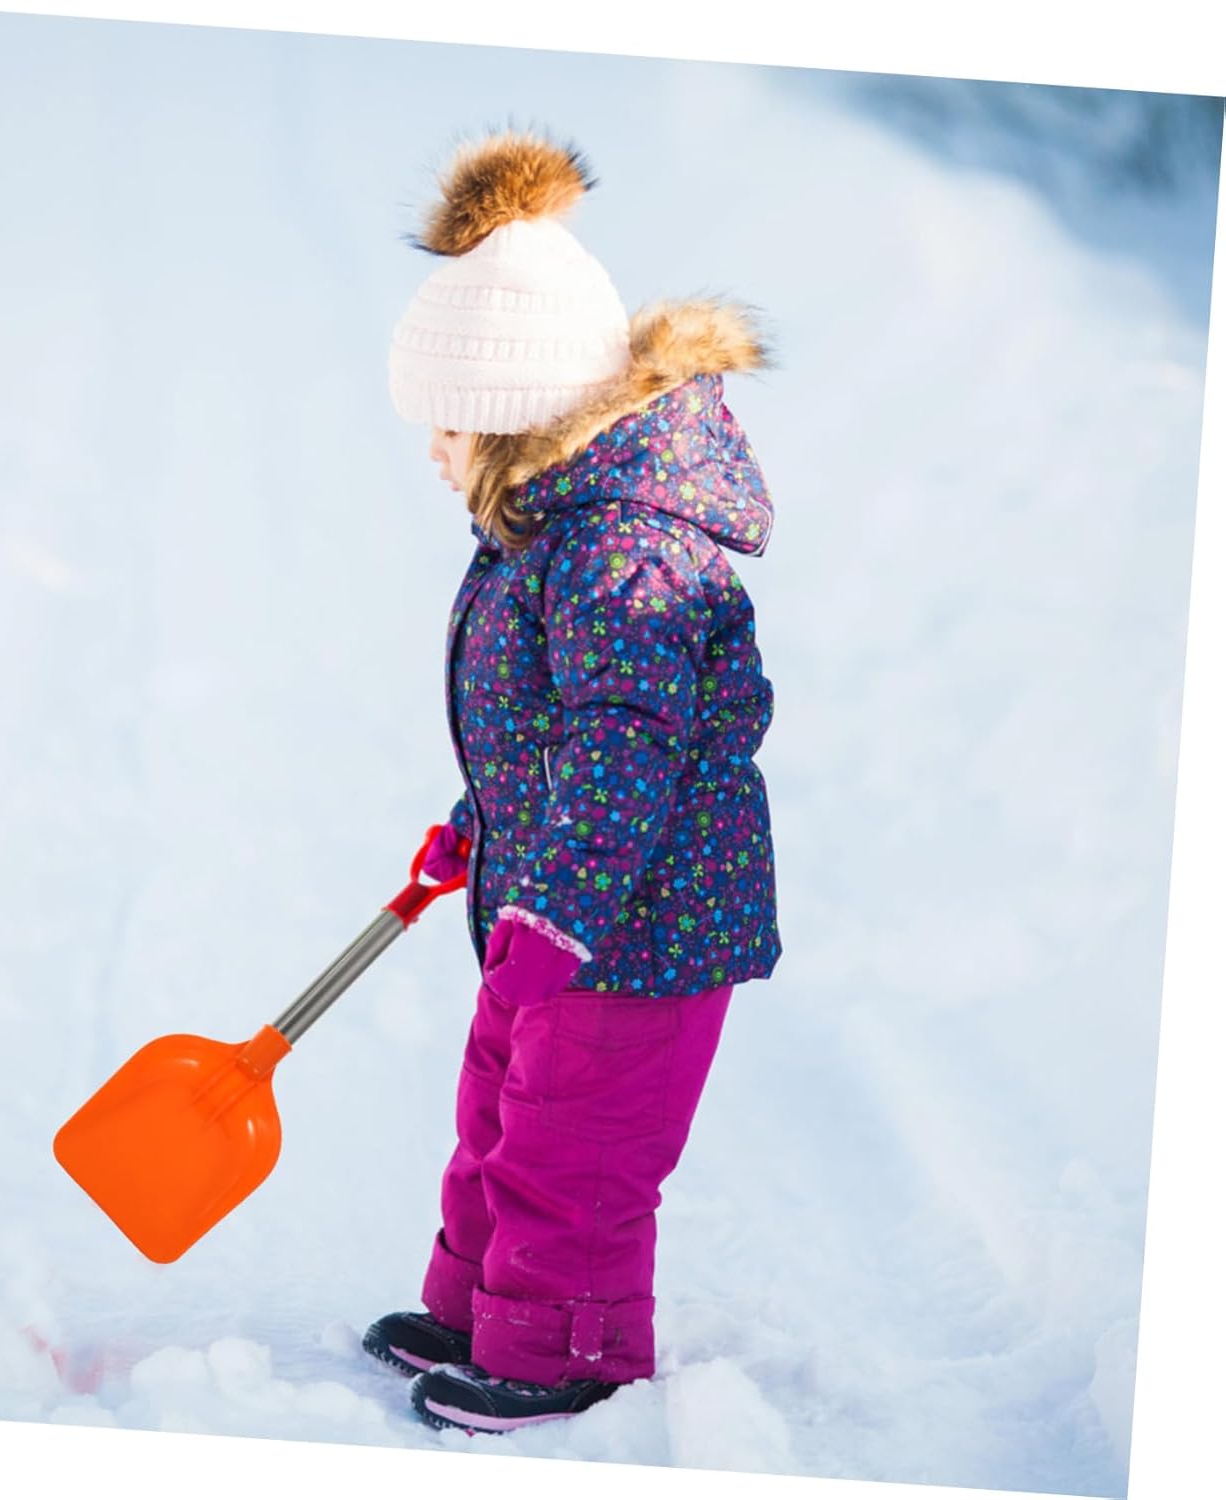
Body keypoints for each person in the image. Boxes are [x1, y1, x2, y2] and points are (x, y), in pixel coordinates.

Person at [363, 127, 782, 1433]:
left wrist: (556, 902)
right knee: (500, 1111)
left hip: (640, 926)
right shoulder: (547, 535)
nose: (433, 453)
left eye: (446, 427)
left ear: (511, 420)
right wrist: (480, 825)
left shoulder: (622, 550)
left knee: (575, 1150)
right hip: (559, 901)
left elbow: (625, 743)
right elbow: (547, 731)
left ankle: (567, 1354)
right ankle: (482, 1312)